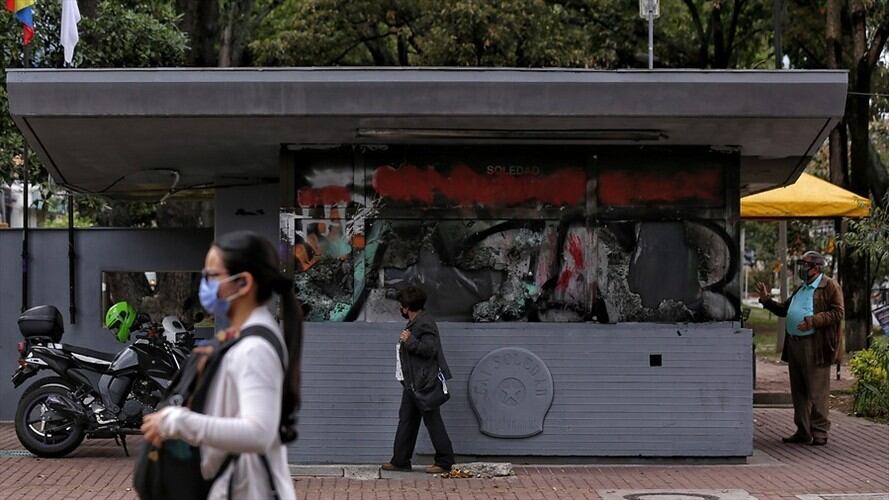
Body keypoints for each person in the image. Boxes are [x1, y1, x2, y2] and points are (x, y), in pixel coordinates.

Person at [141, 231, 302, 499]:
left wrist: (176, 422)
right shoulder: (246, 336)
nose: (204, 284)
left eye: (212, 276)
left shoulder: (254, 348)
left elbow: (259, 432)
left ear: (243, 283)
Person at [755, 250, 844, 446]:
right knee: (799, 390)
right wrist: (766, 300)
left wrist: (813, 321)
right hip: (795, 343)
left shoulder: (829, 286)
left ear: (817, 268)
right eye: (801, 265)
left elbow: (837, 313)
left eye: (806, 265)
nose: (802, 269)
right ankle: (803, 430)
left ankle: (819, 432)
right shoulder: (801, 288)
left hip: (815, 344)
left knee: (816, 390)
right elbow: (784, 310)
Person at [382, 286, 455, 474]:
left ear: (406, 307)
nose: (400, 309)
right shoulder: (416, 322)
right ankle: (400, 461)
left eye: (401, 305)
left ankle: (445, 461)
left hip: (424, 384)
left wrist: (410, 340)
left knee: (433, 422)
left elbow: (430, 350)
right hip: (412, 384)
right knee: (406, 421)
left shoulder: (425, 323)